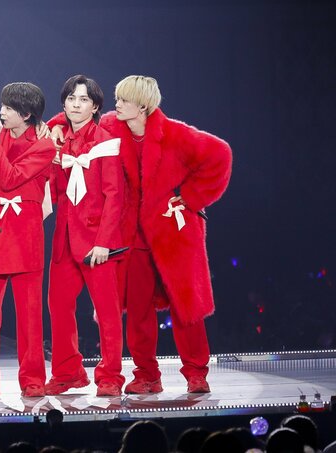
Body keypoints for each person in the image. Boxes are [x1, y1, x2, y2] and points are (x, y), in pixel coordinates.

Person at [51, 75, 232, 394]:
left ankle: (196, 373)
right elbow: (77, 113)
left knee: (186, 308)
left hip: (173, 232)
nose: (117, 104)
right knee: (138, 309)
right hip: (132, 236)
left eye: (124, 100)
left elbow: (220, 154)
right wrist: (54, 125)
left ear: (143, 106)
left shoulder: (176, 134)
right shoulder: (113, 125)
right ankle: (147, 375)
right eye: (117, 99)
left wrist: (190, 196)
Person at [0, 82, 55, 398]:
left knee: (30, 315)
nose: (1, 112)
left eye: (8, 108)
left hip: (25, 235)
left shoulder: (44, 147)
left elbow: (10, 178)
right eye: (2, 106)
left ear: (27, 114)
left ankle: (32, 380)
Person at [44, 75, 126, 397]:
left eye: (83, 100)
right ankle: (68, 373)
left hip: (96, 241)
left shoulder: (106, 141)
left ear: (95, 107)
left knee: (106, 312)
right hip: (64, 238)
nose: (76, 105)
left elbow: (114, 197)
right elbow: (54, 189)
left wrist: (104, 242)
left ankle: (110, 376)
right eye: (71, 99)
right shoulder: (59, 141)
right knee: (58, 305)